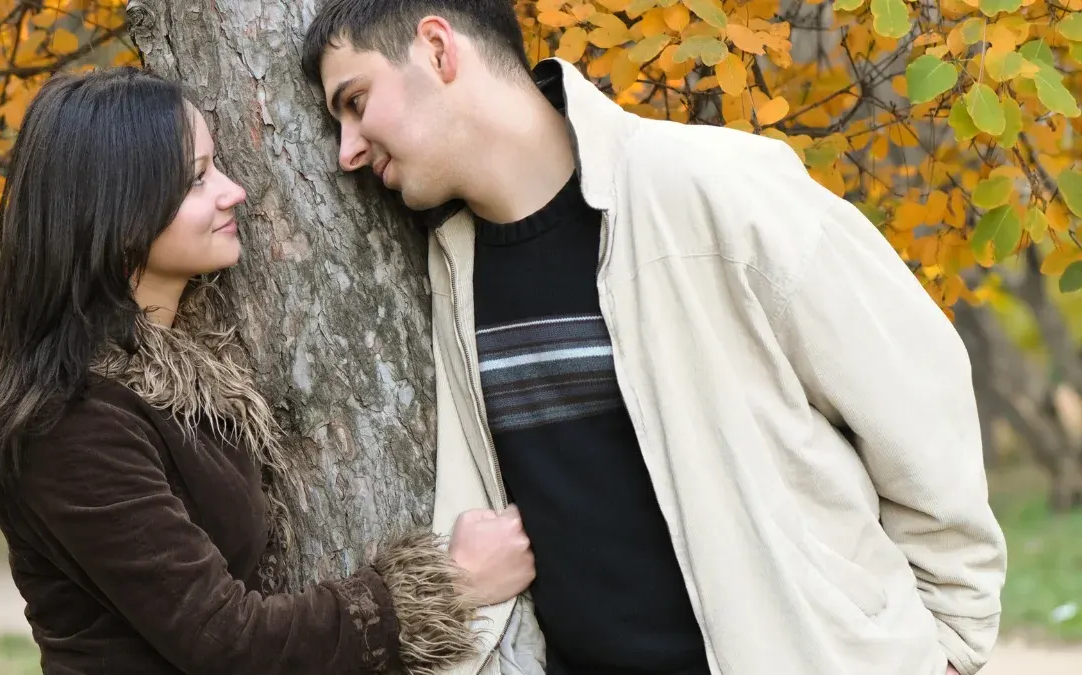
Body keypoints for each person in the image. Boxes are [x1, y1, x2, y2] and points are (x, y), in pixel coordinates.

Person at [300, 2, 1008, 675]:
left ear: (437, 48)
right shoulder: (451, 265)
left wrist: (951, 641)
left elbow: (916, 395)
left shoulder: (713, 186)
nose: (347, 151)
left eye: (356, 101)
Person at [0, 66, 536, 675]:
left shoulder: (179, 379)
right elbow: (229, 643)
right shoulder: (73, 425)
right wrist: (450, 586)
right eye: (197, 178)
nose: (233, 191)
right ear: (115, 213)